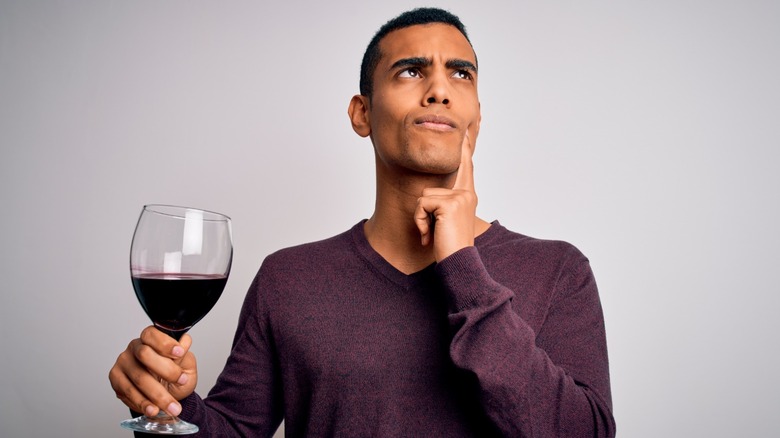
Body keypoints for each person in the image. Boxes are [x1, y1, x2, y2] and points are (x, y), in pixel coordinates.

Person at [109, 7, 616, 437]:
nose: (439, 88)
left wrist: (462, 265)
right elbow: (232, 431)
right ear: (362, 114)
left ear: (475, 117)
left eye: (460, 74)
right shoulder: (288, 280)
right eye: (411, 71)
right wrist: (164, 403)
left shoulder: (559, 271)